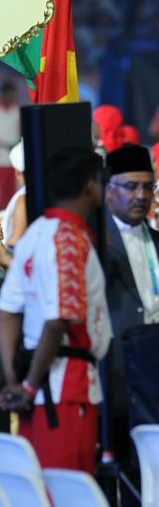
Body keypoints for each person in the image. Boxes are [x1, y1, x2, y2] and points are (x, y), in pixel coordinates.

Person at [0, 147, 112, 473]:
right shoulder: (70, 239)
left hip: (39, 392)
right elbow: (58, 320)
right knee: (68, 491)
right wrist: (29, 385)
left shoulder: (34, 235)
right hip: (66, 390)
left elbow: (6, 312)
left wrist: (14, 381)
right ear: (90, 185)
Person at [101, 144, 159, 473]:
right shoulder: (96, 244)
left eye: (147, 186)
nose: (141, 195)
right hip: (117, 379)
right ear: (109, 190)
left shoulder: (157, 241)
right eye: (131, 186)